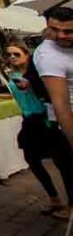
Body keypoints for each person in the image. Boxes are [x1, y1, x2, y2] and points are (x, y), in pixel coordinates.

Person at [6, 40, 73, 217]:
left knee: (63, 164)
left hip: (46, 119)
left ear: (27, 55)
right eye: (9, 54)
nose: (12, 57)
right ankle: (54, 198)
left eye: (16, 54)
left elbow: (53, 93)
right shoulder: (12, 75)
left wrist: (32, 86)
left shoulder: (37, 74)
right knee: (32, 159)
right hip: (29, 120)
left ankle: (70, 205)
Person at [34, 6, 73, 149]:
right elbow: (61, 105)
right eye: (54, 29)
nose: (61, 35)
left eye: (68, 31)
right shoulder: (49, 56)